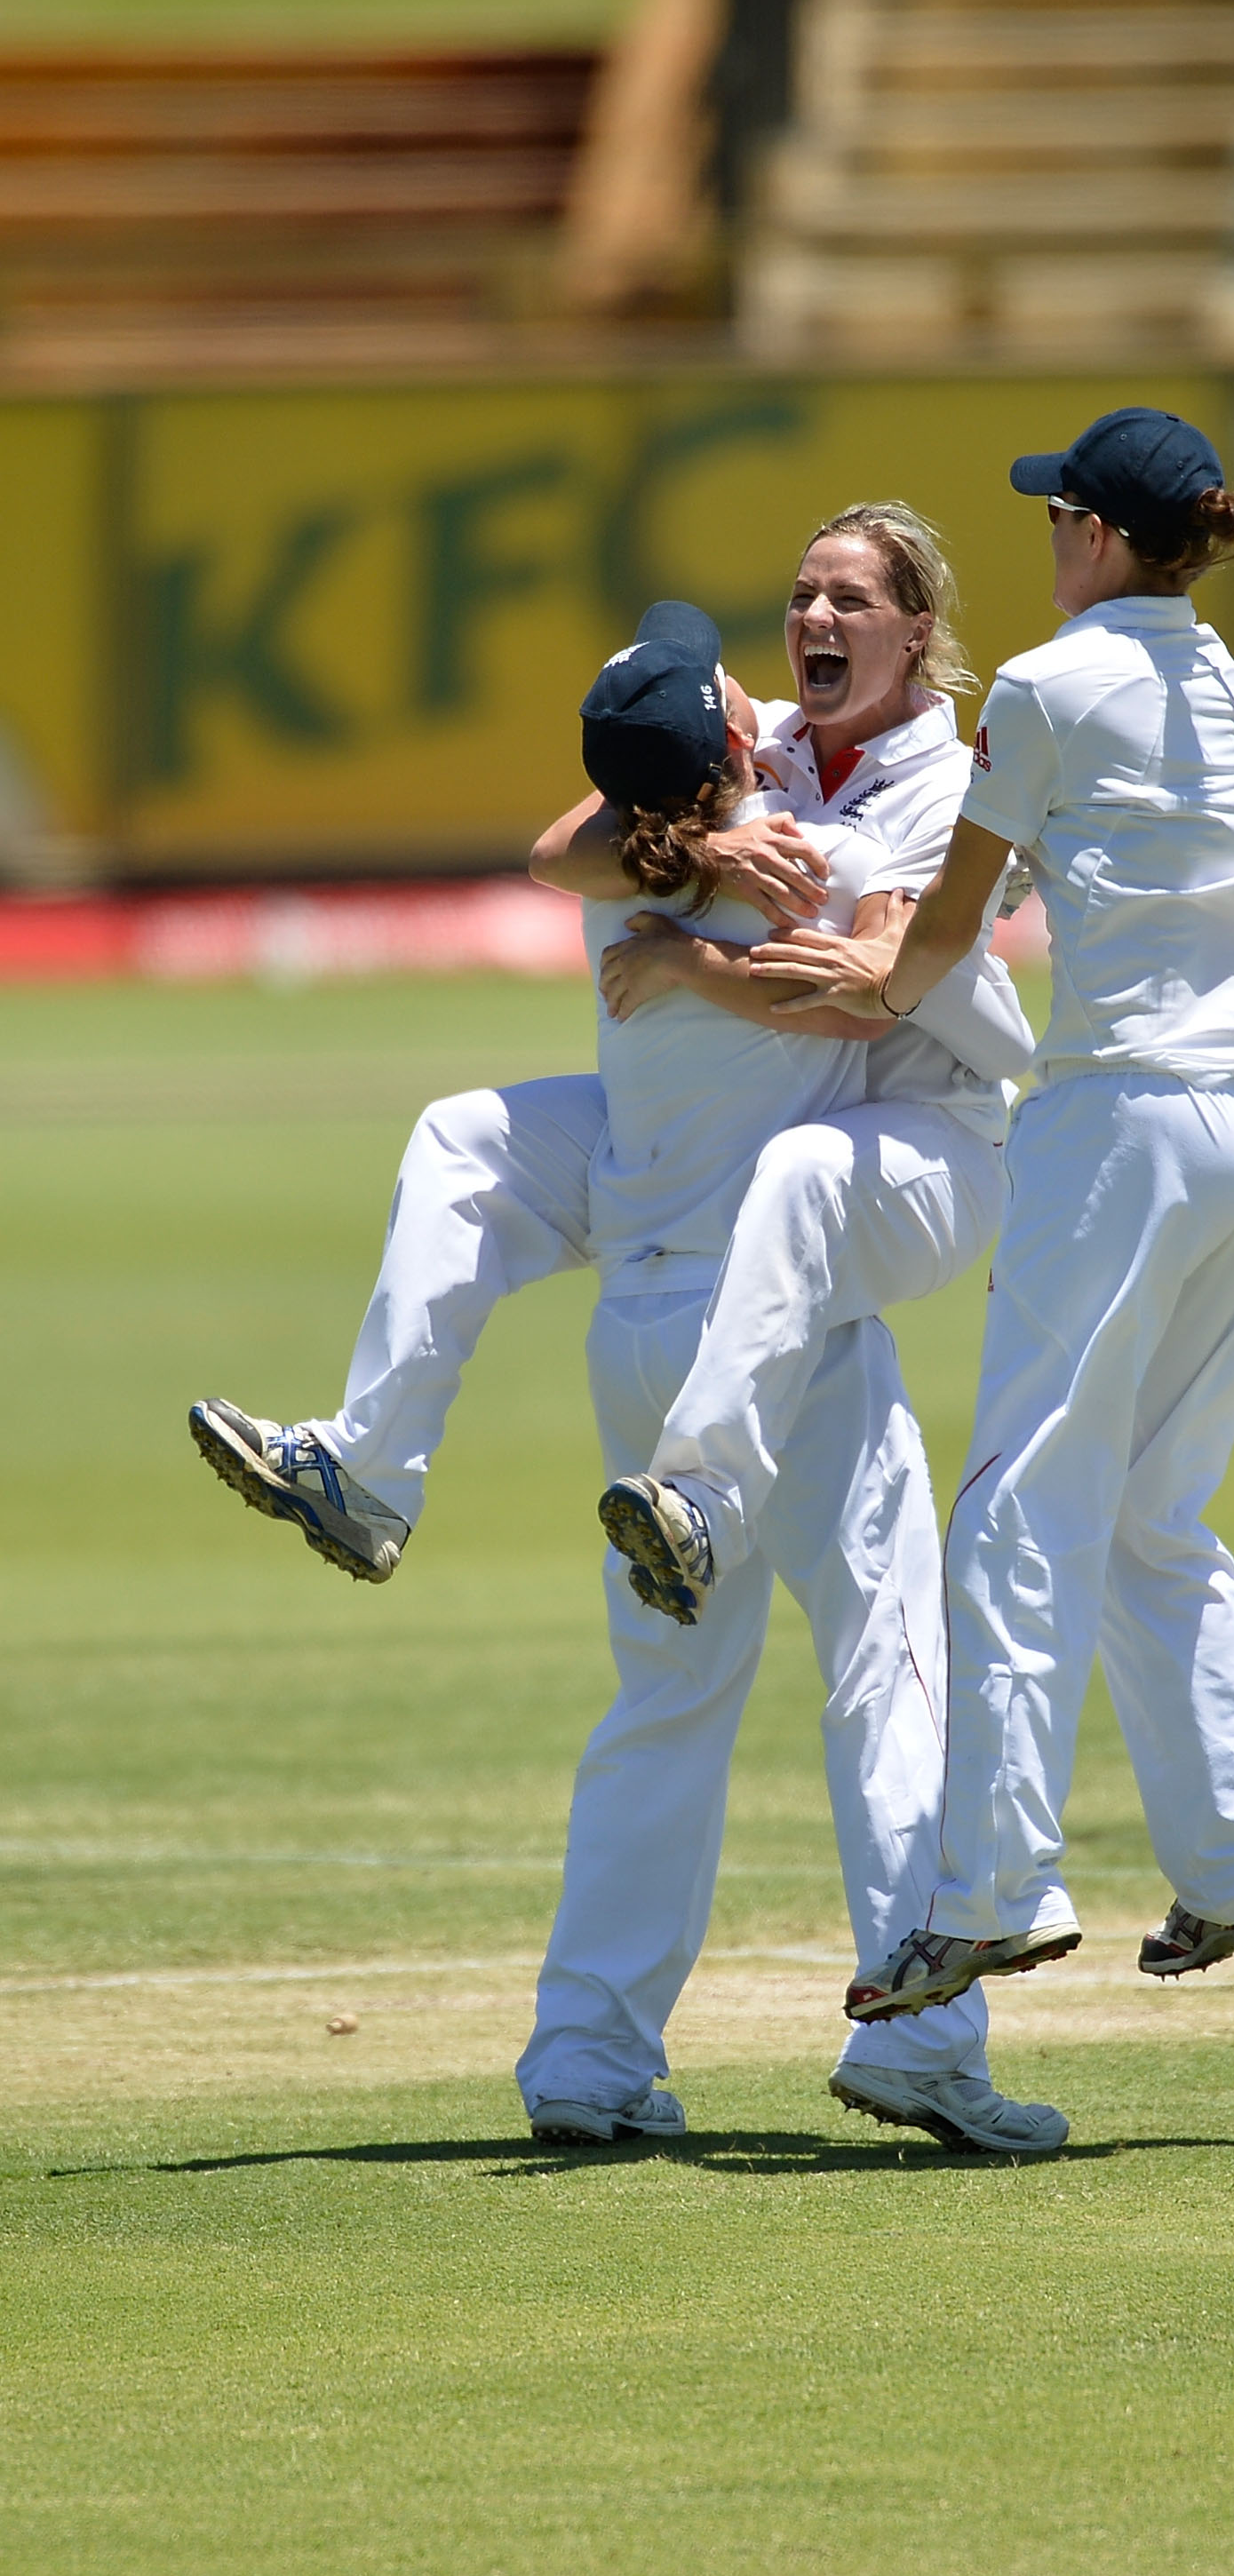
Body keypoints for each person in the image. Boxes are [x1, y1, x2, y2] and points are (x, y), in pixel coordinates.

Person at [191, 604, 1063, 2157]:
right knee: (887, 1670)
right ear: (729, 745)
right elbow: (887, 992)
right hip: (773, 1339)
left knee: (663, 1710)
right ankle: (925, 2040)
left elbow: (572, 843)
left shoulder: (637, 869)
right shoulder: (807, 848)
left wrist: (684, 911)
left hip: (638, 1321)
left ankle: (587, 2060)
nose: (749, 665)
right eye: (723, 685)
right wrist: (801, 927)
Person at [752, 409, 1234, 2016]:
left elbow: (945, 927)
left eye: (1052, 519)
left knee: (1015, 1508)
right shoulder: (1208, 669)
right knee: (1153, 1514)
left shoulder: (1050, 685)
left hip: (1123, 1122)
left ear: (1088, 531)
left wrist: (846, 974)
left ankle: (989, 1890)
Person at [581, 503, 1031, 1626]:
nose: (812, 619)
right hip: (813, 1123)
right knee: (480, 1138)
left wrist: (687, 957)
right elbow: (559, 853)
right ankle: (369, 1452)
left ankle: (701, 1489)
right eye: (799, 597)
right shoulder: (762, 738)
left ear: (914, 628)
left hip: (933, 1133)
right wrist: (707, 841)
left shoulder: (947, 784)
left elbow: (868, 995)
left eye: (849, 601)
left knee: (800, 1173)